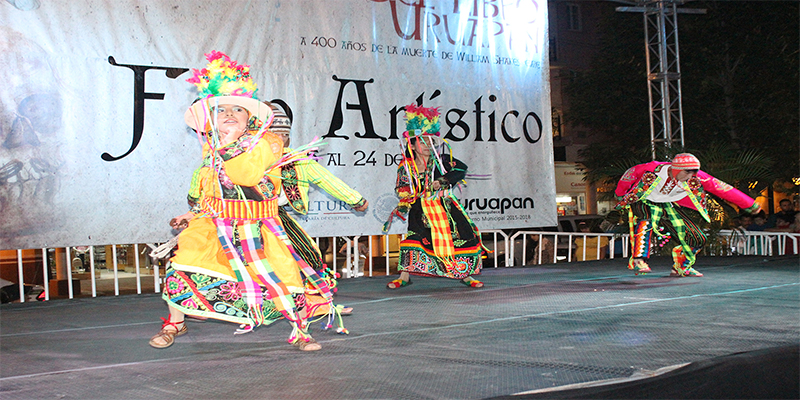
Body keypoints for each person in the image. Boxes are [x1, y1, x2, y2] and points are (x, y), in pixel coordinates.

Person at [149, 51, 331, 351]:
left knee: (282, 275)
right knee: (184, 261)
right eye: (221, 110)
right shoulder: (211, 148)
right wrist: (192, 214)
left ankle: (300, 330)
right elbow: (212, 188)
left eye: (238, 109)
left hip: (257, 226)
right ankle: (175, 323)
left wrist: (231, 142)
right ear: (212, 118)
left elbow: (246, 175)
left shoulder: (267, 143)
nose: (230, 114)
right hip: (215, 223)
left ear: (250, 118)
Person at [269, 103, 367, 319]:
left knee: (306, 254)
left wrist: (355, 199)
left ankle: (316, 304)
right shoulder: (247, 158)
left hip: (275, 216)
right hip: (243, 217)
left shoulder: (295, 160)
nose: (280, 139)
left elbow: (325, 179)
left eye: (284, 135)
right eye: (274, 133)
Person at [383, 104, 486, 288]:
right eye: (423, 142)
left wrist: (442, 181)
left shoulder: (442, 161)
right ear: (412, 145)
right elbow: (402, 187)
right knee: (415, 237)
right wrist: (406, 200)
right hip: (420, 209)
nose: (428, 145)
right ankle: (404, 276)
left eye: (430, 141)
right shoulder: (406, 166)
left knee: (459, 236)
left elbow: (461, 169)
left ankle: (466, 275)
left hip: (445, 207)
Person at [615, 153, 761, 277]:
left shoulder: (697, 178)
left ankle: (681, 266)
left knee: (697, 238)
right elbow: (630, 174)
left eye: (694, 172)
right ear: (675, 169)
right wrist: (620, 193)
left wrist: (749, 204)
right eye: (687, 172)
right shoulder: (652, 169)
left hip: (668, 205)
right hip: (643, 199)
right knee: (646, 219)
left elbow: (722, 188)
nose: (691, 176)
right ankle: (638, 260)